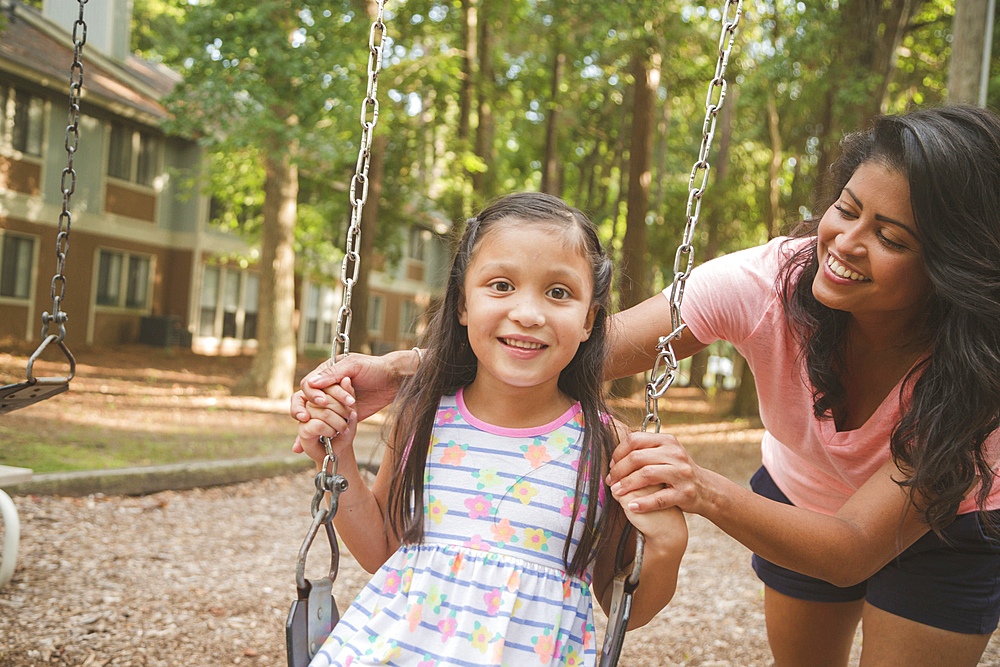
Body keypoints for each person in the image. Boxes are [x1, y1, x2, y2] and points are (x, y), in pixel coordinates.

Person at [294, 105, 1000, 665]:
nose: (845, 242)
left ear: (949, 264)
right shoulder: (764, 283)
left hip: (948, 517)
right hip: (802, 492)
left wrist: (687, 508)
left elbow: (850, 548)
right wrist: (397, 371)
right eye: (846, 209)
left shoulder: (981, 369)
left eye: (892, 237)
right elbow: (582, 349)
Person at [292, 192, 687, 666]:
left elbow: (623, 605)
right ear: (462, 304)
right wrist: (338, 460)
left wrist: (666, 545)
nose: (528, 313)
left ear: (590, 319)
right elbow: (384, 550)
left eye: (558, 292)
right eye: (501, 285)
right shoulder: (425, 414)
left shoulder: (605, 445)